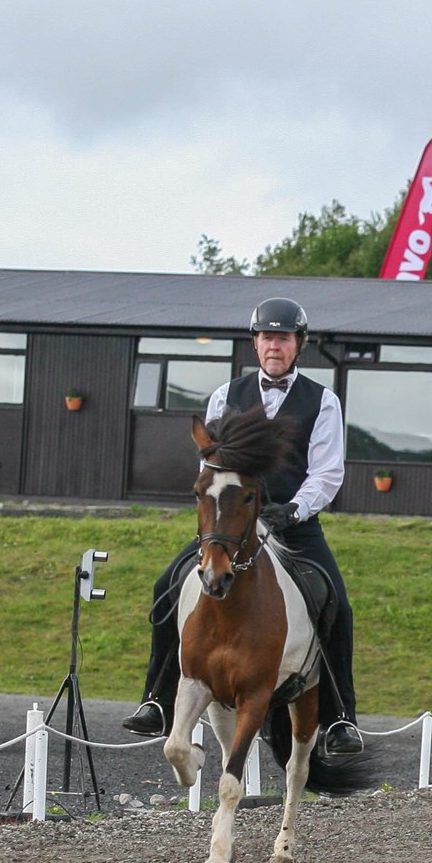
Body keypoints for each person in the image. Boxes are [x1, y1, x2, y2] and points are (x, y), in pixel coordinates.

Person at [122, 297, 362, 757]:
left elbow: (327, 472)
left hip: (292, 523)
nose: (275, 345)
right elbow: (211, 461)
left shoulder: (322, 401)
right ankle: (155, 699)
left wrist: (294, 509)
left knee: (337, 603)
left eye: (284, 338)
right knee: (165, 586)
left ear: (298, 345)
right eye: (267, 337)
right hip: (232, 522)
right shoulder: (224, 396)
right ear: (256, 343)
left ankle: (340, 718)